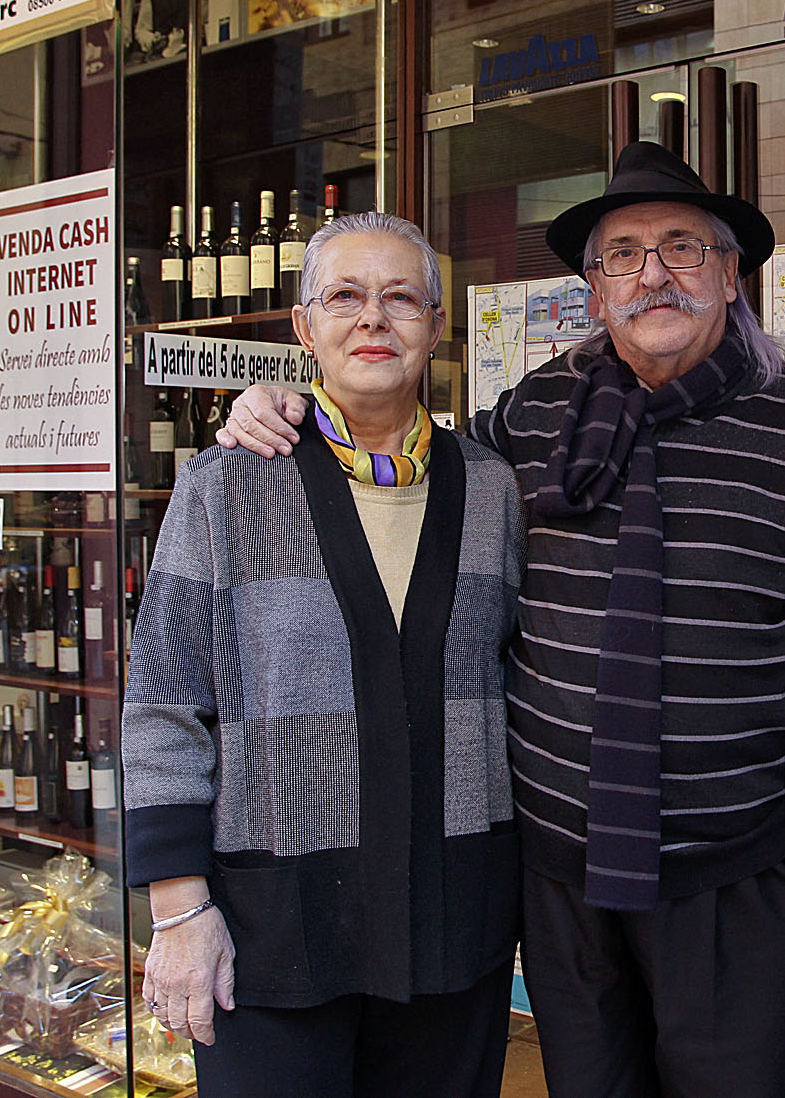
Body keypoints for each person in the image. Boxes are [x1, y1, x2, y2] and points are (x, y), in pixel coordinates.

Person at [220, 141, 785, 1098]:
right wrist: (292, 404)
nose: (652, 272)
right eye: (622, 254)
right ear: (595, 288)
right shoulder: (534, 417)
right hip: (563, 881)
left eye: (683, 247)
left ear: (731, 274)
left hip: (740, 882)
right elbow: (402, 458)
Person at [123, 212, 524, 1098]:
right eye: (345, 296)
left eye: (400, 298)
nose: (373, 319)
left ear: (435, 323)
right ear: (304, 328)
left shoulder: (493, 488)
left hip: (452, 921)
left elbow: (514, 683)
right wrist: (179, 909)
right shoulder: (226, 485)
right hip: (273, 930)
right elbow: (161, 703)